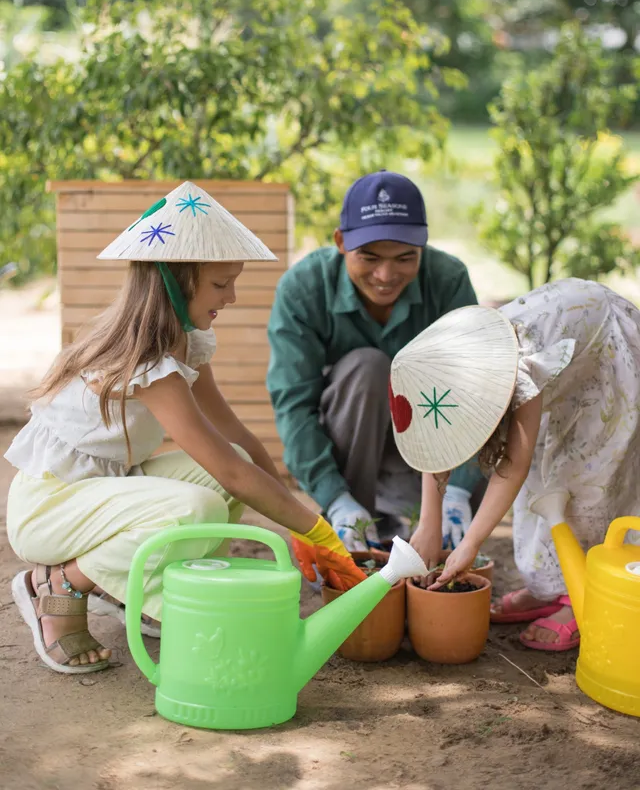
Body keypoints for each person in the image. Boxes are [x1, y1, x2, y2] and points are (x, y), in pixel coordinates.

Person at [3, 182, 365, 675]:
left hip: (104, 490)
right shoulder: (147, 363)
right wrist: (315, 530)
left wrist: (295, 517)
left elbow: (235, 440)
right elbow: (230, 473)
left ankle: (143, 590)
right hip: (50, 509)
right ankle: (58, 585)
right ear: (175, 283)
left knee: (229, 472)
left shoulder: (187, 344)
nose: (232, 296)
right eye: (221, 284)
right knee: (199, 506)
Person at [390, 277, 640, 651]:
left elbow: (513, 463)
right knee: (541, 476)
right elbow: (435, 439)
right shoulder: (439, 371)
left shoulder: (516, 367)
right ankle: (547, 587)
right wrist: (430, 521)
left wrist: (470, 543)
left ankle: (582, 594)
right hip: (562, 355)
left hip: (606, 353)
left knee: (588, 478)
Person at [267, 170, 484, 558]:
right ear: (340, 242)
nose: (386, 276)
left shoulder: (448, 281)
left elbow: (475, 392)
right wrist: (335, 498)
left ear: (423, 247)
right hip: (349, 458)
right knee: (369, 368)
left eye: (405, 258)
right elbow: (294, 406)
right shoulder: (304, 288)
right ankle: (356, 529)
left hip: (429, 460)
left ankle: (438, 526)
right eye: (369, 257)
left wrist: (458, 490)